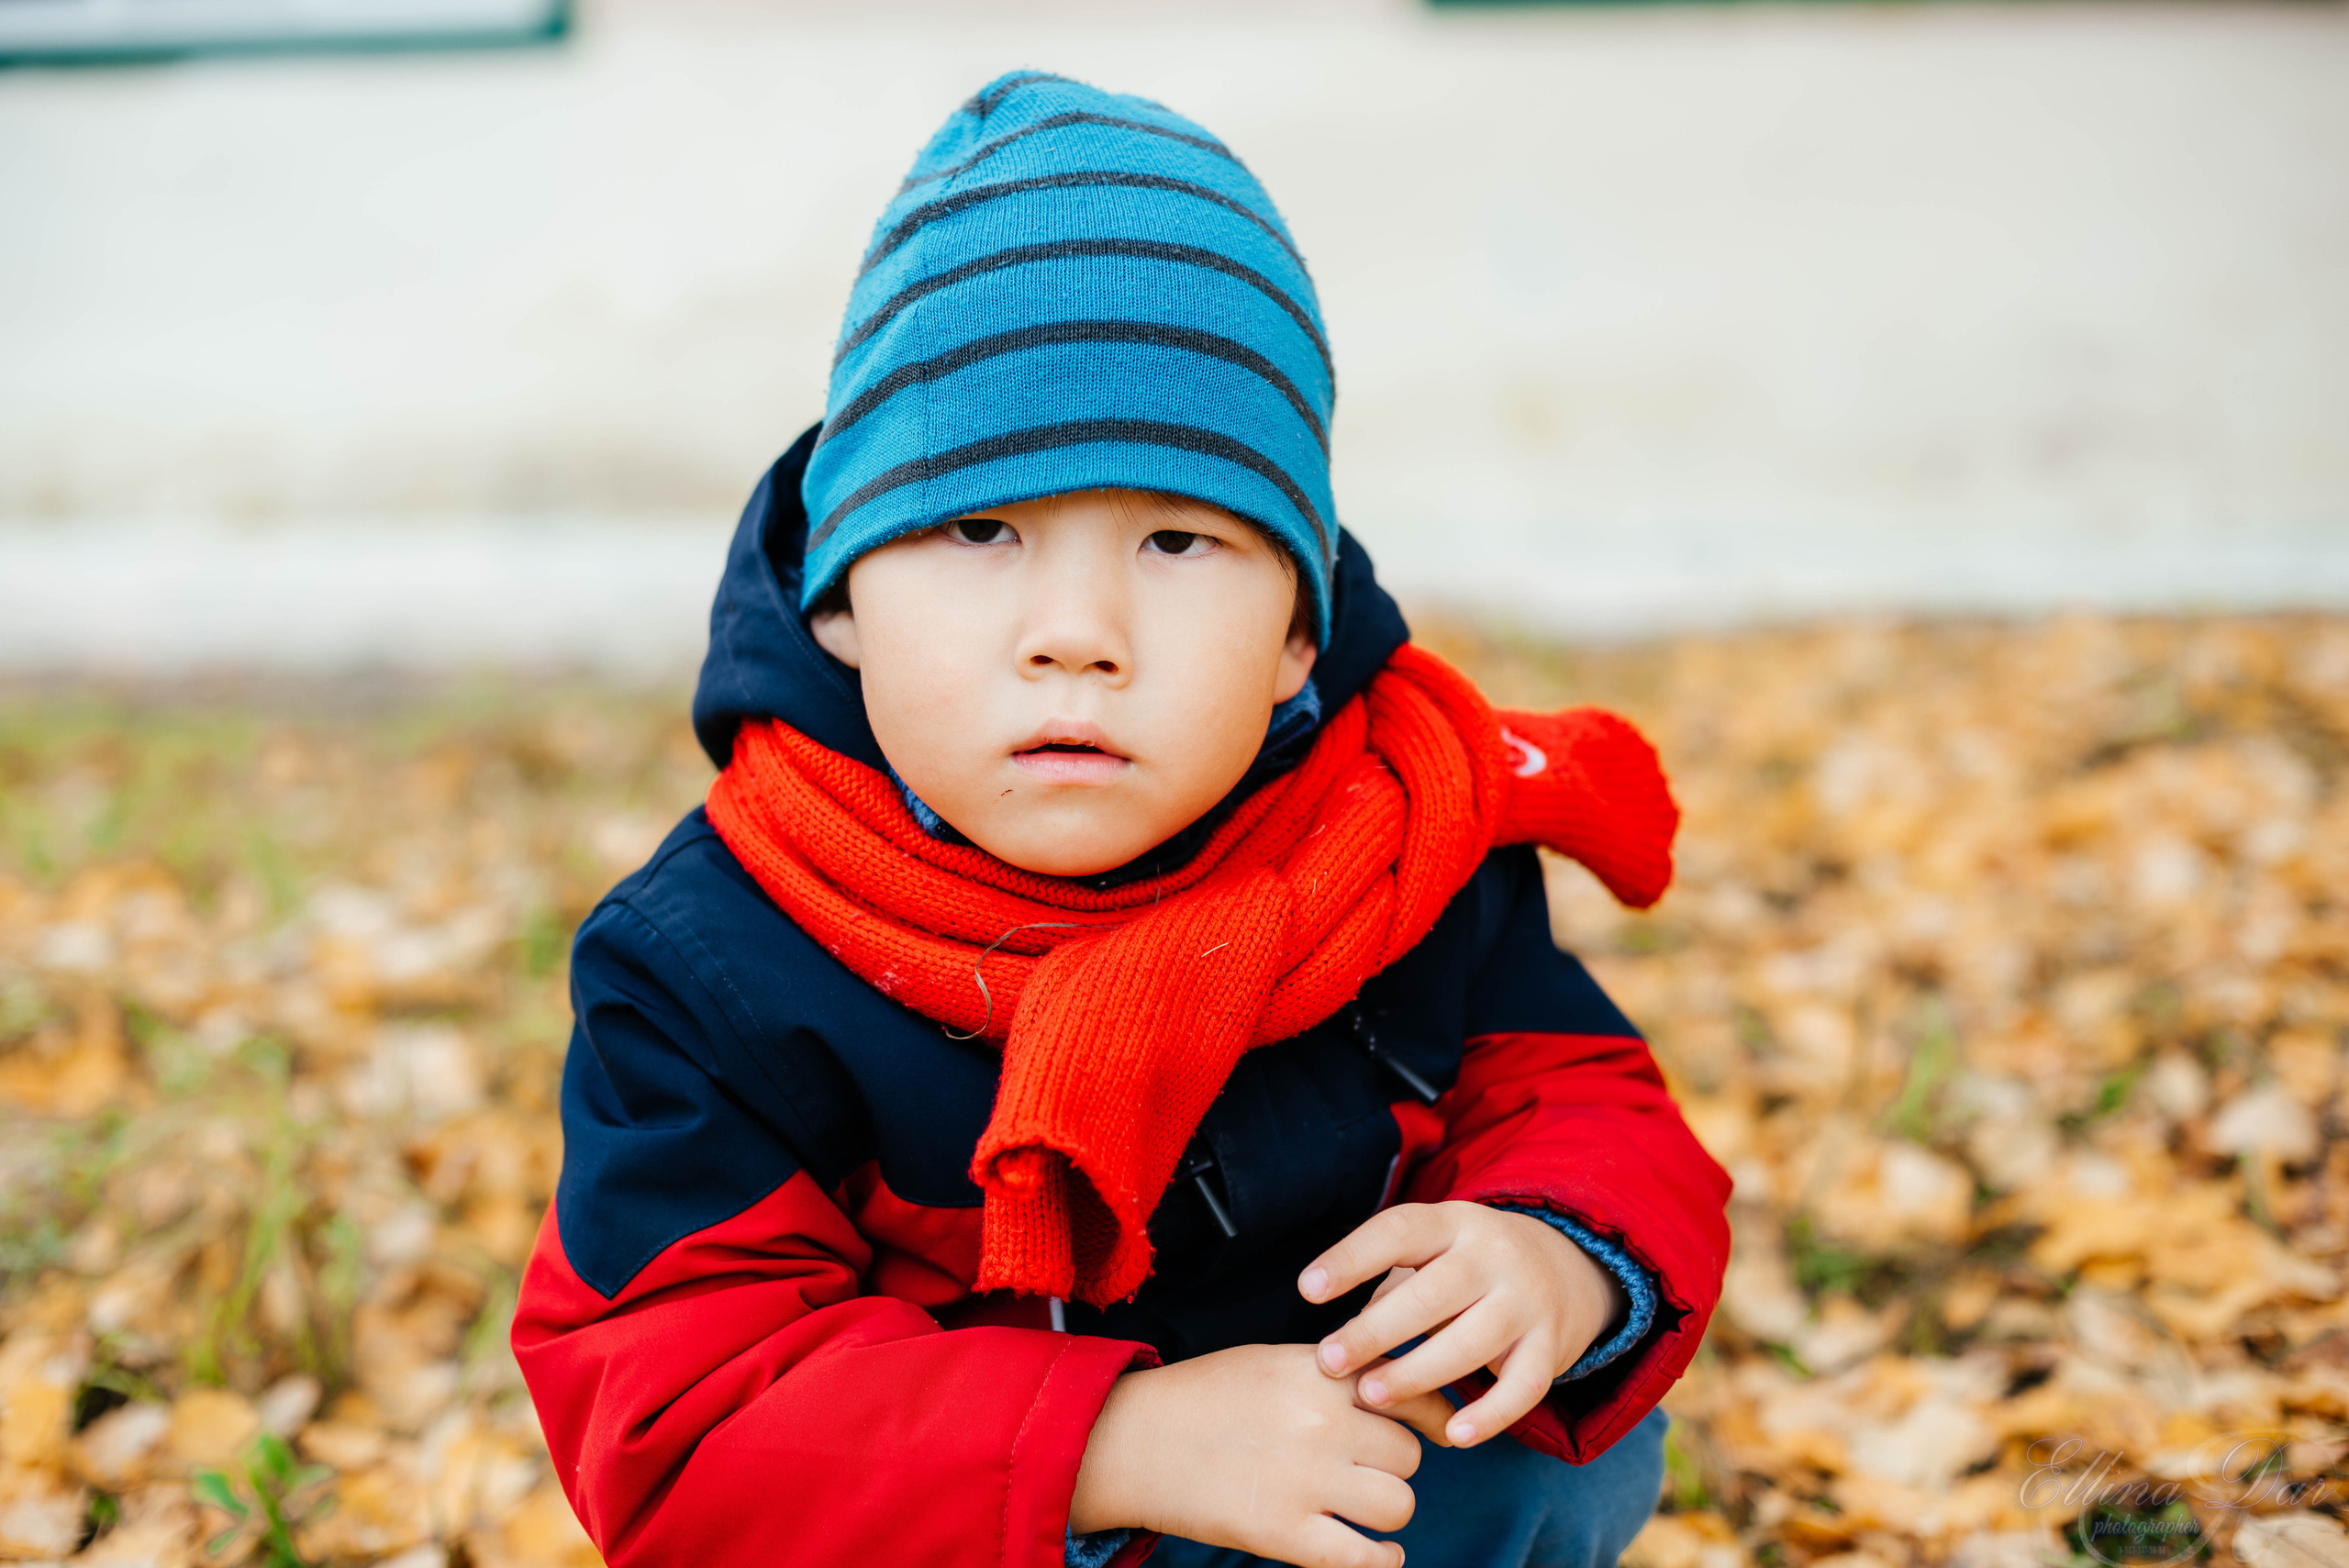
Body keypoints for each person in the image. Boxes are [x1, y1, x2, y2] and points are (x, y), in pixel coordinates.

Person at [512, 72, 1730, 1568]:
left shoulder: (1397, 836)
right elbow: (678, 1403)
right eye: (978, 528)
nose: (1077, 631)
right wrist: (1107, 1444)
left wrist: (1563, 1252)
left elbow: (1583, 1090)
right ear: (839, 602)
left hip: (1346, 1477)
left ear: (1300, 628)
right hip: (981, 1523)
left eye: (1176, 537)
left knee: (1544, 1434)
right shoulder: (718, 960)